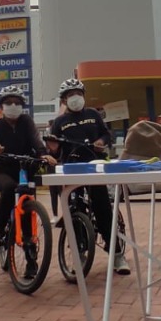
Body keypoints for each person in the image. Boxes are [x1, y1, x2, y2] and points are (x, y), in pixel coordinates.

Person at [49, 78, 129, 275]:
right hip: (71, 169)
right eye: (70, 95)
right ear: (64, 100)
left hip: (94, 166)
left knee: (103, 208)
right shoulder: (59, 122)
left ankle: (117, 254)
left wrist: (101, 141)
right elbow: (53, 149)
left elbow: (106, 134)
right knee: (73, 209)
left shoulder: (93, 114)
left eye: (78, 93)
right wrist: (51, 150)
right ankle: (79, 253)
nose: (75, 97)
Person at [0, 86, 57, 277]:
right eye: (8, 102)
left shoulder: (26, 122)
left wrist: (43, 155)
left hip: (25, 169)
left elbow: (35, 140)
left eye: (17, 103)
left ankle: (31, 262)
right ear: (2, 106)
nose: (13, 105)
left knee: (27, 211)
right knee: (9, 188)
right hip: (3, 170)